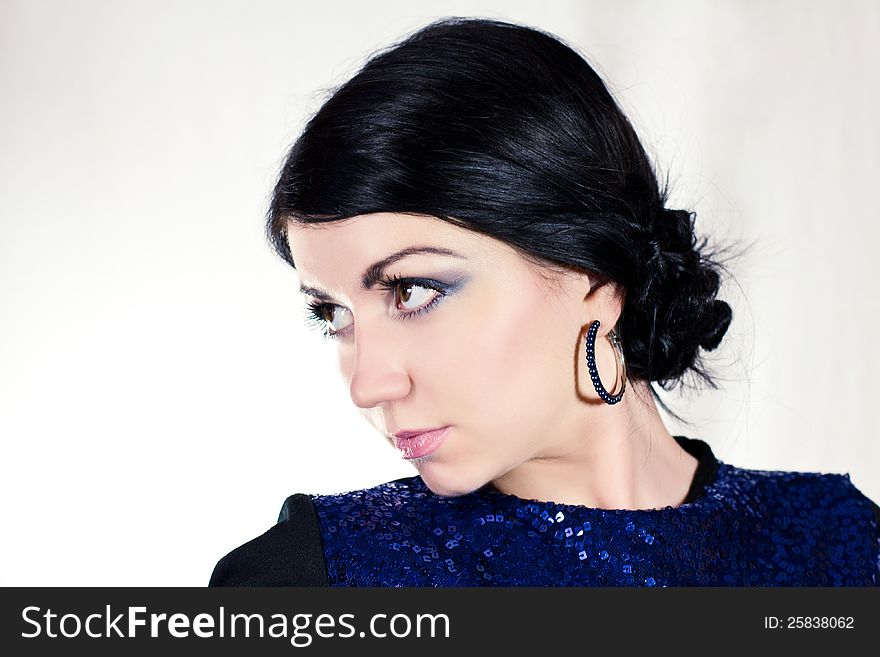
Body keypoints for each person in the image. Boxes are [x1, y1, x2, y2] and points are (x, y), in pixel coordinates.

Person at [209, 17, 880, 586]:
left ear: (591, 275)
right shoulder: (307, 579)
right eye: (333, 313)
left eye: (413, 291)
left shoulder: (839, 544)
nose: (368, 382)